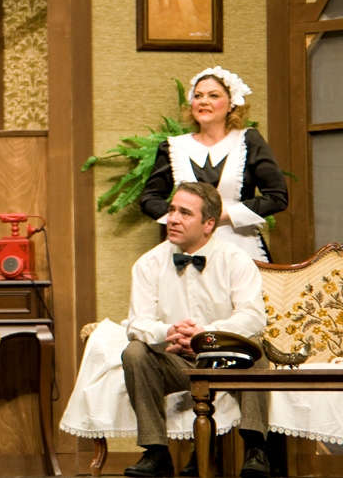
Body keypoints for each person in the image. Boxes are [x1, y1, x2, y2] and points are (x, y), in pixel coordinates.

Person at [121, 181, 270, 478]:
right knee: (135, 352)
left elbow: (253, 317)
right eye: (172, 210)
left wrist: (205, 336)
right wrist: (169, 331)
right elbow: (137, 322)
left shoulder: (235, 260)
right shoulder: (149, 263)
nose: (173, 219)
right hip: (176, 359)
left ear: (209, 224)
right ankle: (156, 451)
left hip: (226, 359)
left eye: (185, 213)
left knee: (256, 348)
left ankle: (256, 449)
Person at [138, 66, 288, 261]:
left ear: (231, 104)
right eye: (198, 96)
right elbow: (149, 199)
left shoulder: (248, 142)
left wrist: (221, 216)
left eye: (214, 95)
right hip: (187, 249)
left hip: (241, 248)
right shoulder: (173, 147)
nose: (204, 101)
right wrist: (184, 218)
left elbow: (277, 197)